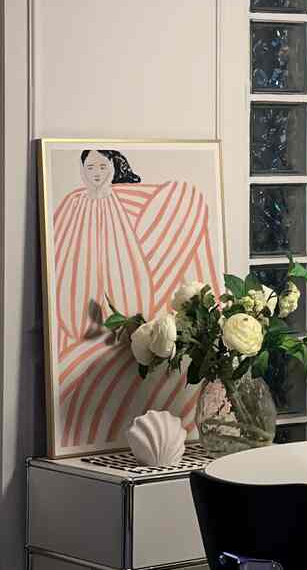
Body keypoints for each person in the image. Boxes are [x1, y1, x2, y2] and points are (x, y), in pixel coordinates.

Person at [52, 149, 220, 452]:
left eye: (102, 165)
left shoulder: (138, 206)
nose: (96, 172)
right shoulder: (71, 206)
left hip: (139, 318)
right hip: (87, 325)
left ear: (114, 167)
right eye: (89, 166)